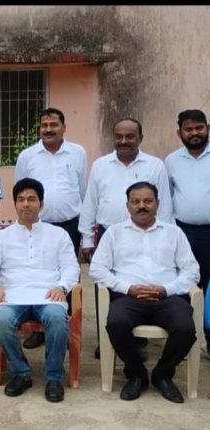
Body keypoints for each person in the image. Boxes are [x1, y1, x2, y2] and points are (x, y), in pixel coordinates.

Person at [90, 181, 199, 403]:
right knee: (116, 324)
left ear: (157, 204)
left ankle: (163, 375)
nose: (142, 206)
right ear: (127, 205)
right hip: (129, 297)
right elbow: (97, 269)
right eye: (136, 201)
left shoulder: (174, 233)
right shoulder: (114, 233)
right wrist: (127, 288)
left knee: (185, 328)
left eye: (148, 201)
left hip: (167, 297)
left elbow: (192, 271)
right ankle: (136, 374)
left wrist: (166, 289)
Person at [78, 118, 173, 357]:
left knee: (140, 282)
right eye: (119, 136)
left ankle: (137, 342)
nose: (123, 141)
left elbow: (165, 207)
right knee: (105, 287)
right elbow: (90, 203)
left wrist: (167, 239)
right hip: (108, 234)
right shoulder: (100, 165)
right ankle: (106, 338)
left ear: (140, 138)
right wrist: (87, 240)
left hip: (145, 234)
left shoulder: (155, 165)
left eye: (130, 136)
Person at [0, 178, 80, 403]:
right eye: (21, 199)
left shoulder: (58, 234)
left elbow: (71, 266)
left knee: (57, 318)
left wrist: (62, 286)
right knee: (0, 319)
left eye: (31, 199)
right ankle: (21, 373)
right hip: (12, 295)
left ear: (41, 204)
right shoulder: (1, 237)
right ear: (15, 204)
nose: (26, 204)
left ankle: (54, 377)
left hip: (48, 294)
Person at [14, 107, 86, 350]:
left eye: (53, 125)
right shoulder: (28, 156)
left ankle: (64, 328)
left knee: (68, 275)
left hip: (70, 223)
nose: (48, 129)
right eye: (44, 125)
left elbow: (82, 189)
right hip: (38, 225)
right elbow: (21, 189)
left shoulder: (77, 153)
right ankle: (40, 329)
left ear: (63, 127)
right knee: (39, 273)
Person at [165, 109, 210, 350]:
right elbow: (167, 198)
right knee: (183, 285)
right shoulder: (171, 161)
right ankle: (182, 341)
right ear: (179, 132)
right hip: (183, 232)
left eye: (199, 128)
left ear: (207, 129)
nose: (194, 133)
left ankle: (209, 340)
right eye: (188, 129)